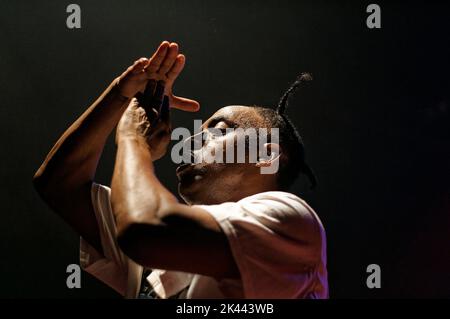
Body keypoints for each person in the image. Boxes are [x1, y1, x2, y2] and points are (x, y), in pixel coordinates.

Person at [33, 41, 328, 299]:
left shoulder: (289, 218)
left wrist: (133, 136)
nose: (189, 140)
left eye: (220, 130)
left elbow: (144, 230)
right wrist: (120, 95)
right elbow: (58, 185)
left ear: (267, 155)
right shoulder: (171, 242)